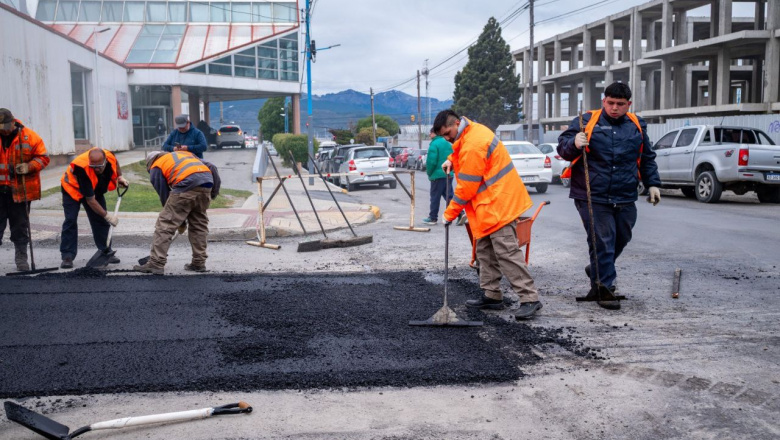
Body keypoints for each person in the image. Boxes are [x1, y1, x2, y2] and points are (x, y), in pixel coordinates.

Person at [557, 82, 661, 310]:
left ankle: (596, 269)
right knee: (602, 240)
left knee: (622, 237)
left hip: (625, 194)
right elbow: (563, 149)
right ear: (604, 101)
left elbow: (647, 156)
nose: (614, 108)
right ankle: (605, 289)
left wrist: (653, 183)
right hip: (592, 194)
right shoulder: (585, 121)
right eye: (610, 103)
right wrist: (574, 143)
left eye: (620, 104)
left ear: (628, 104)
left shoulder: (636, 125)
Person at [435, 109, 542, 319]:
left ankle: (530, 298)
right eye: (443, 136)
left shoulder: (474, 143)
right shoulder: (469, 133)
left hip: (498, 204)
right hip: (487, 206)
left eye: (448, 134)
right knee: (484, 251)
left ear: (456, 123)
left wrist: (449, 213)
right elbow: (462, 152)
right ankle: (492, 295)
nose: (447, 139)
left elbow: (467, 187)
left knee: (506, 252)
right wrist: (451, 160)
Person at [133, 151, 220, 275]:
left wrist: (176, 220)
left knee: (165, 225)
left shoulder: (156, 166)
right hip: (206, 185)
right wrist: (212, 193)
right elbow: (211, 166)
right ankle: (199, 263)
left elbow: (164, 196)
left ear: (149, 163)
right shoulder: (183, 155)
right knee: (199, 226)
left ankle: (156, 263)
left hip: (185, 185)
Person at [60, 147, 129, 269]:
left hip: (94, 188)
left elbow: (116, 162)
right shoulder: (81, 168)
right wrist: (107, 216)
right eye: (93, 167)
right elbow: (90, 200)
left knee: (100, 220)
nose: (96, 169)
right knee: (70, 220)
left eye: (99, 167)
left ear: (105, 161)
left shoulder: (110, 156)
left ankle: (106, 251)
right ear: (89, 162)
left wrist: (119, 177)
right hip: (72, 189)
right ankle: (67, 256)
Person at [0, 108, 50, 271]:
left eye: (5, 126)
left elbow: (43, 158)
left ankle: (21, 258)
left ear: (13, 122)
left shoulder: (29, 136)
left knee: (20, 227)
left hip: (19, 191)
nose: (3, 130)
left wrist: (29, 166)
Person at [423, 128, 454, 226]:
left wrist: (429, 173)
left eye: (430, 133)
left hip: (437, 175)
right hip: (448, 173)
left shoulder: (434, 144)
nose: (429, 135)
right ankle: (459, 213)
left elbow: (431, 161)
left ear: (434, 133)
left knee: (435, 197)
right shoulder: (448, 143)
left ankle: (433, 218)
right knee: (449, 196)